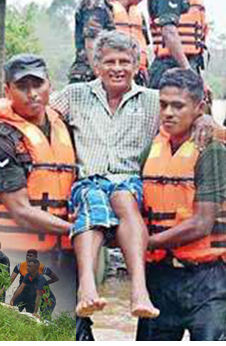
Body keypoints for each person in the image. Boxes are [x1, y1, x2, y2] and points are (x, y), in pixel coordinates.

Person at [51, 32, 160, 321]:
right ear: (96, 65)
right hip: (89, 178)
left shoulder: (152, 101)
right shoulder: (75, 94)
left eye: (125, 61)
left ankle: (139, 290)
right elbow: (36, 114)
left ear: (137, 66)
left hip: (129, 179)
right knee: (91, 202)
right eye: (109, 61)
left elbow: (189, 116)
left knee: (125, 199)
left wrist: (209, 121)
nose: (117, 68)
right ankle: (86, 286)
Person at [137, 69, 226, 340]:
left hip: (205, 280)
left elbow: (202, 224)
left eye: (178, 106)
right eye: (163, 105)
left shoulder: (212, 151)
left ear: (199, 108)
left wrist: (144, 243)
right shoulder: (152, 149)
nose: (168, 112)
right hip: (159, 277)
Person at [0, 54, 76, 317]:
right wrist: (78, 229)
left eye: (38, 84)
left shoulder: (65, 127)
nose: (32, 93)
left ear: (50, 85)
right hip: (13, 256)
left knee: (65, 330)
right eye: (22, 86)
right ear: (7, 90)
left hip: (63, 258)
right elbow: (20, 211)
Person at [146, 0, 208, 89]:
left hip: (187, 65)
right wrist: (188, 72)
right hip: (168, 68)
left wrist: (200, 80)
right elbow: (169, 32)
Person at [68, 0, 129, 83]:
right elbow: (91, 42)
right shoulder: (96, 4)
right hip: (88, 76)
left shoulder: (103, 4)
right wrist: (99, 75)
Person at [112, 0, 151, 85]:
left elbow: (145, 44)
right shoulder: (109, 10)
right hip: (116, 73)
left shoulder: (140, 15)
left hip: (138, 75)